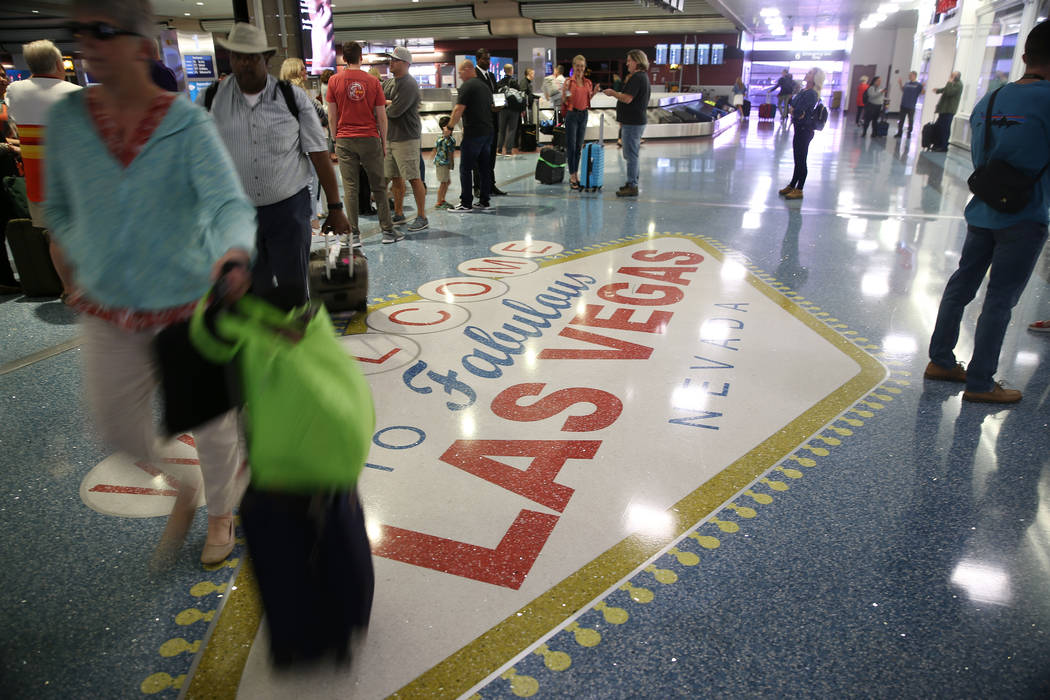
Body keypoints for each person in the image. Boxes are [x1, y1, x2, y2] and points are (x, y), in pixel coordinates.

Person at [46, 0, 257, 564]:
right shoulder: (67, 121)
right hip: (108, 307)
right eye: (78, 31)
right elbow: (59, 209)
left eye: (102, 30)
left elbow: (226, 203)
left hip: (186, 302)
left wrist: (234, 253)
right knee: (114, 421)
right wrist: (84, 258)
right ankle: (183, 486)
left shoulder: (185, 122)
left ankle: (220, 514)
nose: (86, 41)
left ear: (141, 45)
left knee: (211, 424)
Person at [925, 22, 1050, 404]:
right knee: (999, 299)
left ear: (1025, 58)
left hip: (982, 211)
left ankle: (941, 360)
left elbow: (981, 160)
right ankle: (980, 382)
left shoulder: (989, 101)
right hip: (1026, 215)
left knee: (961, 285)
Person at [205, 23, 347, 304]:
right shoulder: (211, 99)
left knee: (293, 287)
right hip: (237, 216)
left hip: (288, 212)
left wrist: (335, 207)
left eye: (252, 56)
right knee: (250, 291)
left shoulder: (291, 98)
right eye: (237, 56)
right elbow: (197, 157)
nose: (244, 63)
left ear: (266, 59)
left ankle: (297, 337)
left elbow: (319, 153)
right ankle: (262, 343)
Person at [327, 41, 397, 245]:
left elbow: (332, 115)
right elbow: (381, 116)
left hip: (345, 139)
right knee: (379, 187)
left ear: (343, 59)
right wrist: (383, 141)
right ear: (361, 57)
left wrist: (335, 138)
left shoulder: (334, 81)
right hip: (369, 138)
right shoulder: (373, 82)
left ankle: (353, 235)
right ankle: (387, 231)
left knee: (350, 188)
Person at [382, 46, 427, 235]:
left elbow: (394, 111)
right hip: (391, 137)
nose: (391, 62)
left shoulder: (408, 84)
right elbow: (380, 102)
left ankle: (422, 216)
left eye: (395, 60)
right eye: (390, 59)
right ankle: (398, 212)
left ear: (405, 64)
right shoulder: (390, 82)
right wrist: (387, 103)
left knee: (413, 177)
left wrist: (387, 104)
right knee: (395, 177)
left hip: (406, 138)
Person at [446, 60, 494, 212]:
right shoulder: (484, 86)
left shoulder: (467, 86)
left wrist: (449, 127)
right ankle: (484, 201)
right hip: (487, 132)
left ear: (468, 69)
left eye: (460, 73)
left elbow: (458, 109)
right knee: (484, 168)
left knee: (465, 168)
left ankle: (466, 202)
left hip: (473, 133)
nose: (460, 77)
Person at [604, 49, 650, 198]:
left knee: (631, 155)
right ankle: (632, 182)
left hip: (633, 122)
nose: (627, 63)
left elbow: (628, 98)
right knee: (631, 154)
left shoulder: (637, 78)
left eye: (629, 60)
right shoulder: (641, 77)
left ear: (637, 61)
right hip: (633, 121)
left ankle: (632, 185)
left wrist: (613, 93)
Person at [778, 67, 825, 201]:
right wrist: (794, 109)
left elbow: (797, 110)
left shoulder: (811, 94)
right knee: (797, 159)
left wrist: (795, 110)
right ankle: (792, 184)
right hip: (799, 128)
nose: (807, 74)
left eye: (810, 73)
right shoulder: (804, 91)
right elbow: (792, 105)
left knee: (801, 160)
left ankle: (799, 189)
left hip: (805, 130)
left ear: (815, 78)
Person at [472, 49, 507, 196]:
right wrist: (489, 107)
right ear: (478, 59)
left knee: (491, 155)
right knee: (480, 156)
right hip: (481, 123)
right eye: (485, 59)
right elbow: (474, 99)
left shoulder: (492, 76)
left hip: (493, 122)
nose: (487, 62)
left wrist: (501, 103)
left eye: (489, 59)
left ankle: (490, 184)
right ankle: (478, 187)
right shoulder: (474, 76)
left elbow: (496, 93)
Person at [562, 55, 600, 190]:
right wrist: (568, 99)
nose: (579, 68)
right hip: (572, 115)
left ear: (585, 67)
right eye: (577, 66)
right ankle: (572, 175)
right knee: (571, 146)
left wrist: (594, 92)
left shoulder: (588, 82)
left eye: (582, 66)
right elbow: (564, 100)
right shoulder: (568, 82)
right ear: (573, 66)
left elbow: (588, 98)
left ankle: (575, 174)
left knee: (578, 146)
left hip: (583, 114)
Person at [931, 71, 962, 152]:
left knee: (945, 128)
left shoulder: (958, 85)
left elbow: (949, 92)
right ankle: (937, 144)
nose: (951, 76)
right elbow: (945, 89)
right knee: (939, 127)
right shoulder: (952, 83)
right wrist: (938, 90)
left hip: (949, 110)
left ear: (957, 76)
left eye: (953, 75)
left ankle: (944, 146)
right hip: (943, 110)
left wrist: (949, 82)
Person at [496, 63, 520, 156]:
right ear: (511, 70)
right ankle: (509, 151)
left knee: (501, 130)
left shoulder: (500, 83)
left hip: (502, 109)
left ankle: (499, 150)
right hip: (514, 110)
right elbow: (519, 95)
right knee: (512, 129)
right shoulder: (514, 82)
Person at [434, 115, 455, 209]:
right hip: (443, 163)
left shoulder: (440, 138)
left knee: (447, 181)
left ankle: (442, 199)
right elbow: (451, 153)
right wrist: (452, 163)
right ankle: (439, 202)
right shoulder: (449, 140)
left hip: (440, 163)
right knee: (443, 183)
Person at [895, 71, 924, 138]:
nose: (909, 76)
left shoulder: (918, 85)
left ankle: (909, 133)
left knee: (910, 120)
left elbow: (922, 93)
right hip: (903, 104)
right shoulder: (907, 83)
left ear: (914, 76)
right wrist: (900, 84)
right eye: (909, 75)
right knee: (901, 120)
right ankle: (899, 132)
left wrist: (923, 87)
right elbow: (903, 90)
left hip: (911, 106)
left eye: (910, 75)